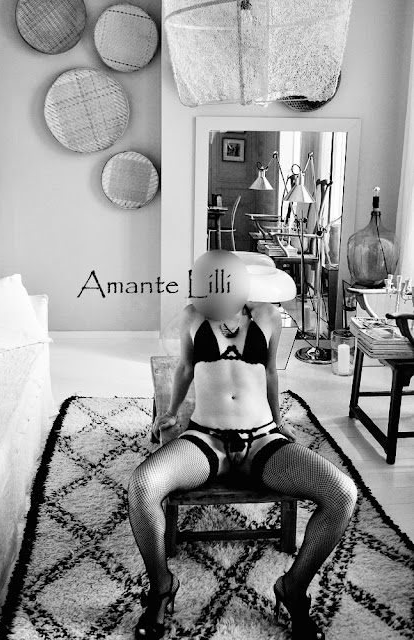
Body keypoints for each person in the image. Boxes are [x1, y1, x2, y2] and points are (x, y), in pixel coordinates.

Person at [127, 251, 357, 640]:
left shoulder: (268, 316)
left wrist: (279, 422)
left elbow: (269, 372)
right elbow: (185, 368)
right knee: (142, 485)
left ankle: (293, 588)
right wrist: (169, 413)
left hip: (261, 439)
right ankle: (162, 586)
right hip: (206, 439)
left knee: (342, 493)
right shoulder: (192, 316)